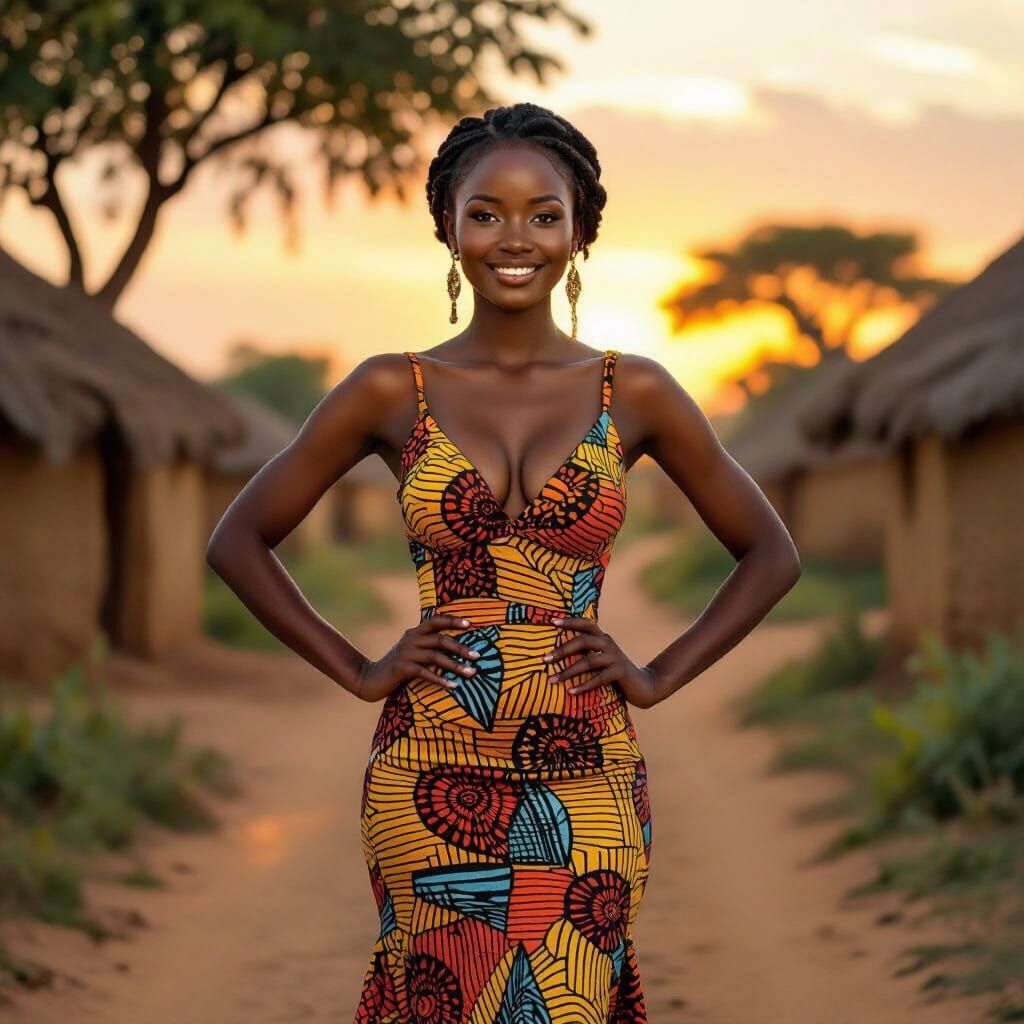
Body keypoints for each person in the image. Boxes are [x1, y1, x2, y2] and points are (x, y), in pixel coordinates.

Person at [206, 102, 801, 1023]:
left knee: (567, 995)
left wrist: (653, 676)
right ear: (448, 226)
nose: (513, 238)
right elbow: (238, 540)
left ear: (579, 231)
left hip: (588, 765)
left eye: (542, 214)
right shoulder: (386, 388)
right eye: (485, 213)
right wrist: (362, 670)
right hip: (430, 766)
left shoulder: (633, 389)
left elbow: (771, 553)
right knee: (439, 998)